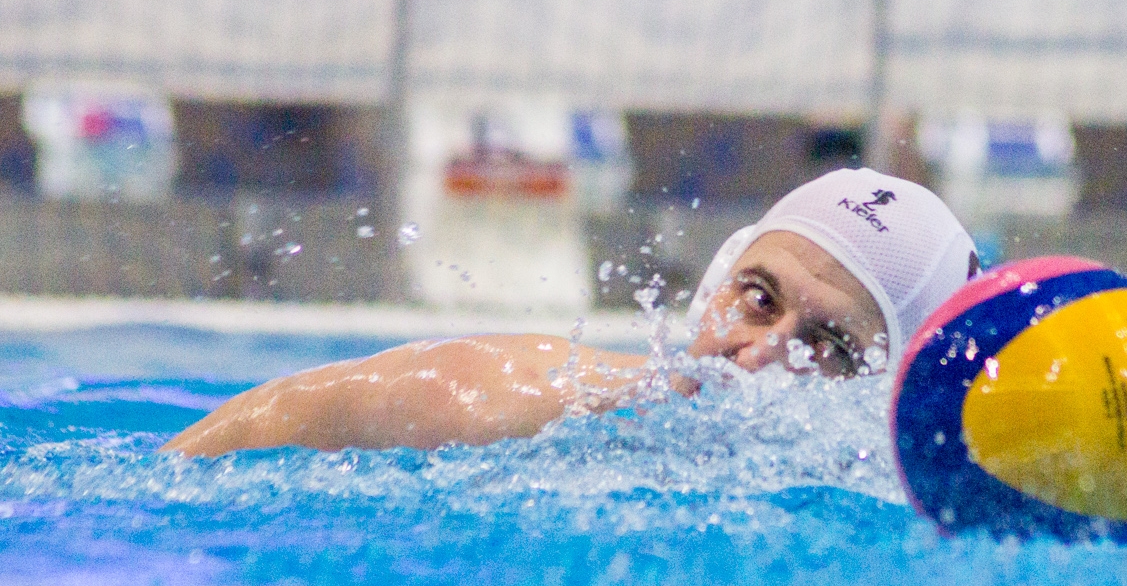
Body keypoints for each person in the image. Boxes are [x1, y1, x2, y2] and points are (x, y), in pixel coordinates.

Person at [164, 168, 980, 457]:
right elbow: (273, 419)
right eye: (757, 297)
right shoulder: (536, 402)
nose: (759, 351)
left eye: (831, 344)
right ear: (715, 282)